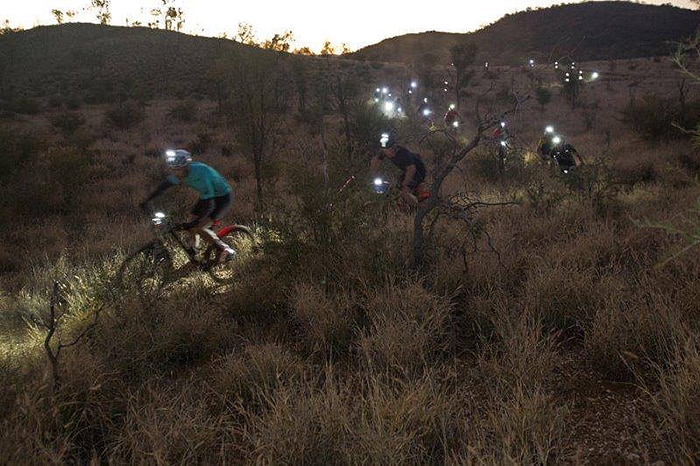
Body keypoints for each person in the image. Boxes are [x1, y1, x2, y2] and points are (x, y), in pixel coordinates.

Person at [140, 149, 235, 261]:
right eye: (174, 170)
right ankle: (195, 254)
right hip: (206, 196)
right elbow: (164, 186)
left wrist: (197, 222)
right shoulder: (180, 174)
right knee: (191, 222)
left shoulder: (201, 172)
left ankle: (225, 249)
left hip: (222, 198)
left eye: (178, 170)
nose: (176, 173)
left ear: (186, 167)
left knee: (199, 227)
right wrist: (148, 200)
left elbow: (210, 203)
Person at [370, 132, 429, 209]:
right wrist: (373, 175)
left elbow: (412, 169)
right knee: (397, 187)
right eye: (384, 150)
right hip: (407, 170)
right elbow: (376, 161)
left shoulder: (403, 153)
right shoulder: (385, 151)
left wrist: (405, 183)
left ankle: (419, 208)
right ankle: (406, 205)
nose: (386, 152)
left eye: (388, 149)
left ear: (394, 146)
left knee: (404, 191)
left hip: (418, 171)